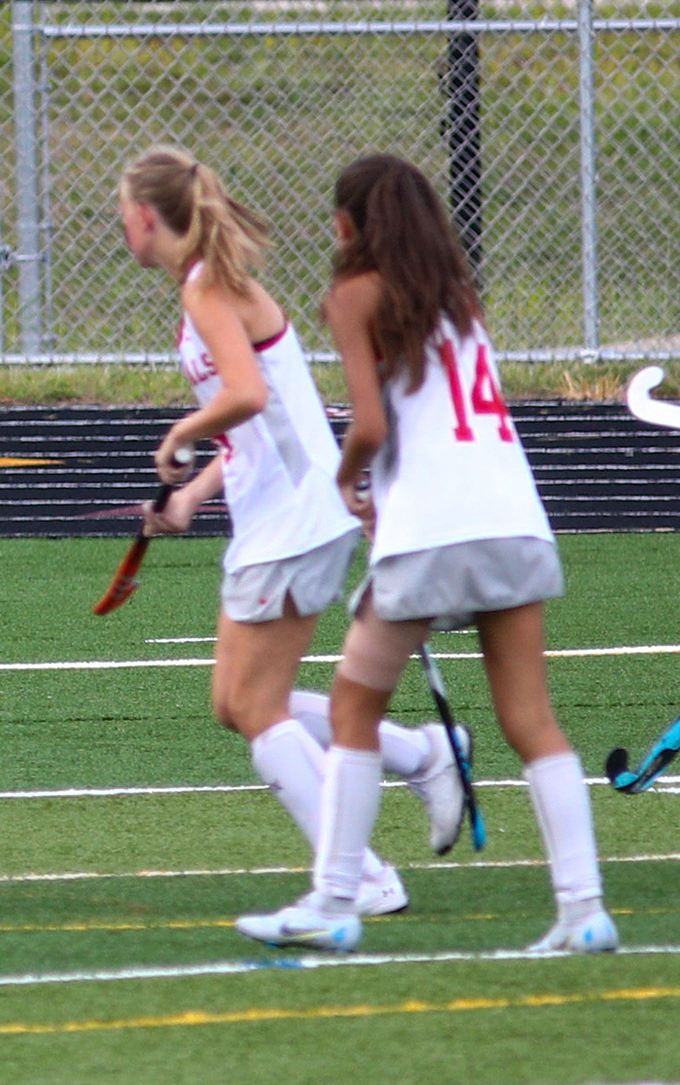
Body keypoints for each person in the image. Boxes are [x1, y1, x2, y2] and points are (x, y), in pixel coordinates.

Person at [237, 155, 610, 953]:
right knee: (532, 721)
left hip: (431, 530)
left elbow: (370, 426)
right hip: (514, 518)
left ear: (350, 224)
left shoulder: (353, 294)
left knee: (352, 711)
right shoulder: (459, 297)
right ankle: (584, 911)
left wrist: (349, 481)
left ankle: (336, 900)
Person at [115, 145, 458, 922]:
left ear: (145, 216)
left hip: (295, 520)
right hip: (287, 515)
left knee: (254, 708)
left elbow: (244, 393)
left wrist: (179, 434)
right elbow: (261, 418)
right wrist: (192, 494)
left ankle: (360, 876)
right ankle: (421, 755)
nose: (122, 229)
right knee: (235, 703)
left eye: (122, 216)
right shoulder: (210, 284)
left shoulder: (207, 290)